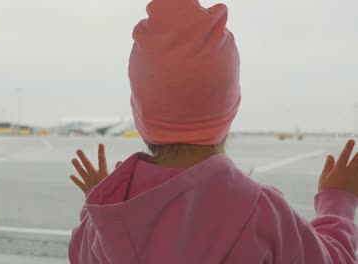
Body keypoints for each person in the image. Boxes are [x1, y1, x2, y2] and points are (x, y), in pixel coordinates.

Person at [67, 0, 358, 263]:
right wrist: (338, 201)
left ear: (140, 114)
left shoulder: (101, 227)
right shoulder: (263, 213)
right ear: (230, 108)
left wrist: (102, 200)